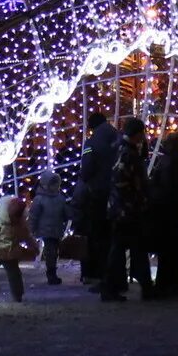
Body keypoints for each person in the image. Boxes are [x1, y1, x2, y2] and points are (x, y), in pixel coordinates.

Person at [101, 116, 150, 301]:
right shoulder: (126, 152)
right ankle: (113, 288)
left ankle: (142, 285)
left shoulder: (122, 149)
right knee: (126, 247)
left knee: (129, 247)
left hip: (121, 207)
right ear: (137, 133)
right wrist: (135, 198)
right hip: (126, 209)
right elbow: (122, 180)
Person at [143, 130, 178, 297]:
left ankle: (171, 281)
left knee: (171, 247)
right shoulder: (175, 162)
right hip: (170, 208)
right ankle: (171, 282)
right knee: (173, 246)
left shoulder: (165, 160)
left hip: (164, 208)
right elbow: (175, 185)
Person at [74, 113, 118, 290]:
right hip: (117, 193)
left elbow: (86, 169)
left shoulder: (91, 143)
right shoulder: (118, 137)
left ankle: (97, 275)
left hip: (98, 194)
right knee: (114, 236)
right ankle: (116, 274)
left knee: (96, 235)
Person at [0, 185, 34, 303]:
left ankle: (17, 294)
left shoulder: (20, 225)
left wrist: (34, 246)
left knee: (15, 275)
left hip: (11, 255)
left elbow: (27, 237)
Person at [27, 169, 69, 286]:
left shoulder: (60, 198)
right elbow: (34, 215)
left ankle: (51, 271)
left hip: (56, 229)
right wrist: (31, 229)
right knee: (51, 252)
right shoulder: (39, 199)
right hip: (46, 230)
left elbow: (65, 213)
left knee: (54, 251)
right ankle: (51, 274)